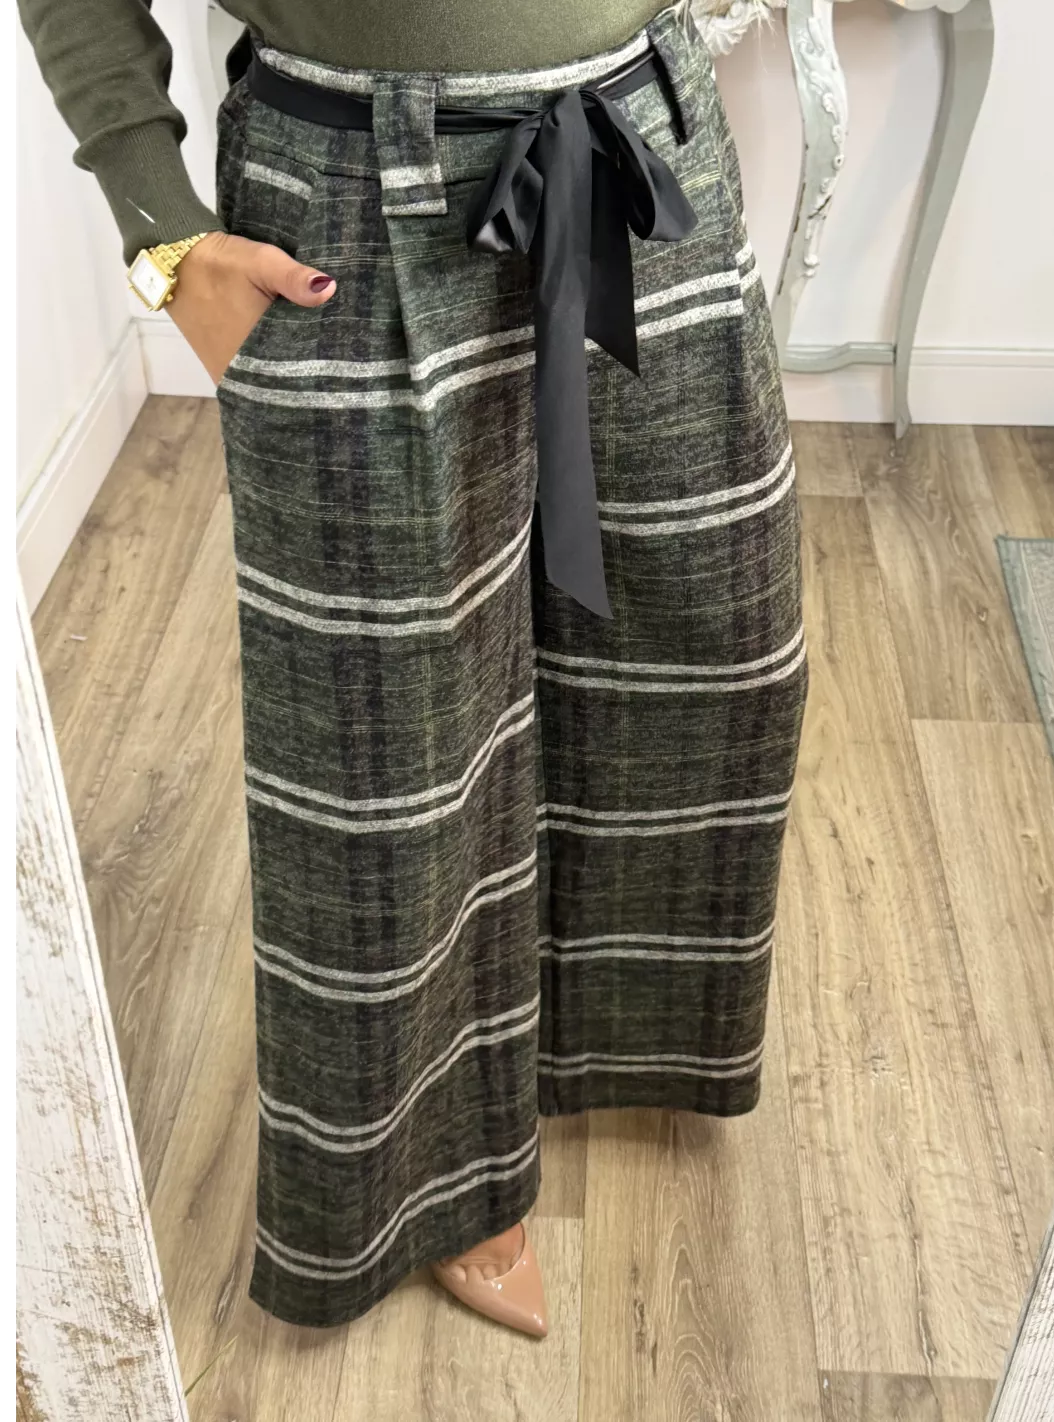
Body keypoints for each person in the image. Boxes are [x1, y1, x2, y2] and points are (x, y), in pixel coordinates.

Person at [19, 0, 809, 1339]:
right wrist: (161, 231)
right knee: (386, 748)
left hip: (637, 134)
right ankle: (442, 1181)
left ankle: (601, 1032)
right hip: (345, 186)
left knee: (717, 643)